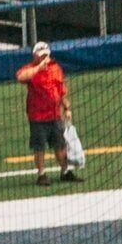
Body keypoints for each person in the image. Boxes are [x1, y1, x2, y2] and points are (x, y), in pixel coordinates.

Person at [17, 41, 82, 183]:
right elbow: (21, 77)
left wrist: (67, 108)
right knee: (39, 147)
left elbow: (61, 90)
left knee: (60, 145)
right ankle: (41, 174)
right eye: (41, 55)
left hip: (55, 115)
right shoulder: (31, 69)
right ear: (35, 56)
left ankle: (65, 171)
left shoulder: (55, 68)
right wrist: (39, 68)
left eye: (45, 55)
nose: (43, 58)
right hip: (38, 116)